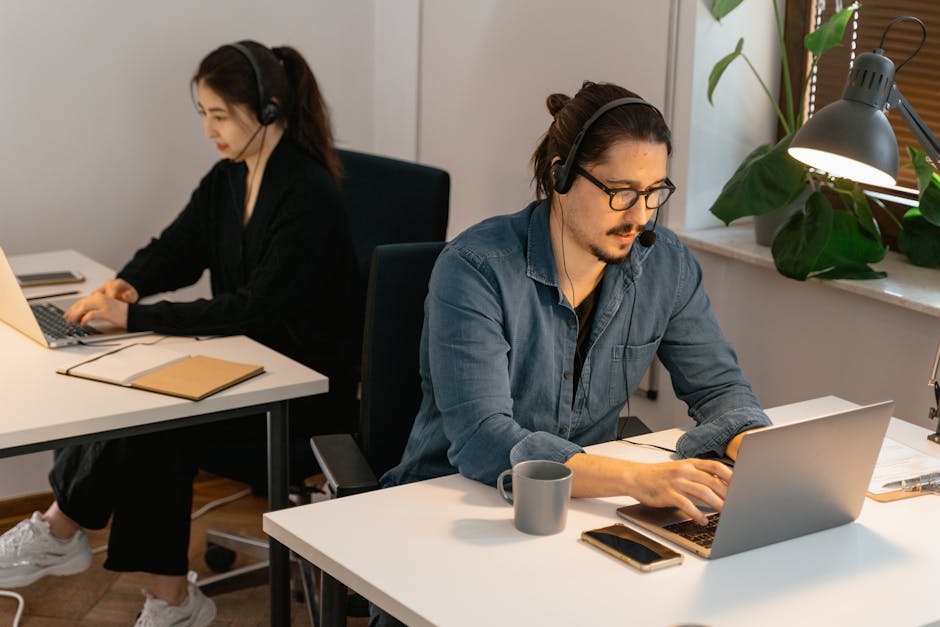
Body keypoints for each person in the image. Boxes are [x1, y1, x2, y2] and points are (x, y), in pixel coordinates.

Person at [0, 41, 361, 627]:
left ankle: (69, 535)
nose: (209, 130)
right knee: (133, 398)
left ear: (267, 112)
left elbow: (255, 310)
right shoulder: (229, 178)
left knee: (156, 420)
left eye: (219, 116)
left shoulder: (307, 193)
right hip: (249, 361)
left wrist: (137, 318)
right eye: (204, 115)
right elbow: (176, 248)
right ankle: (164, 595)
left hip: (304, 386)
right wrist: (123, 287)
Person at [383, 80, 772, 523]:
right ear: (560, 176)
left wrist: (760, 453)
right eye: (620, 192)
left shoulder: (666, 264)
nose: (640, 216)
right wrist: (636, 480)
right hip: (450, 506)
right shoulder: (476, 269)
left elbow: (719, 388)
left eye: (653, 192)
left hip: (579, 507)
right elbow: (483, 437)